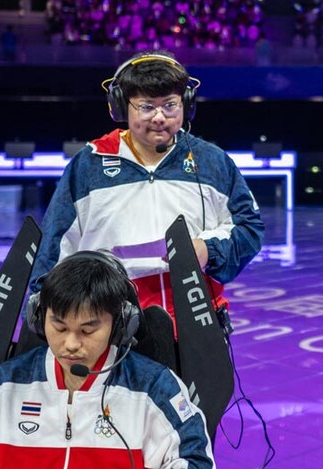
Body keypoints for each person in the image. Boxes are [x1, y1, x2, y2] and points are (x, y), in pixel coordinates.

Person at [0, 251, 216, 469]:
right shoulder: (2, 386)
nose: (71, 344)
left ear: (120, 323)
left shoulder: (154, 387)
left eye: (88, 330)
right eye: (59, 326)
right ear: (40, 318)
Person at [30, 50, 264, 323]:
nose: (159, 117)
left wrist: (207, 250)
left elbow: (249, 229)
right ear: (121, 106)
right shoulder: (88, 166)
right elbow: (53, 248)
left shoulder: (212, 161)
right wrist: (46, 309)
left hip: (198, 320)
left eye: (170, 105)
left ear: (186, 105)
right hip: (108, 321)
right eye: (147, 106)